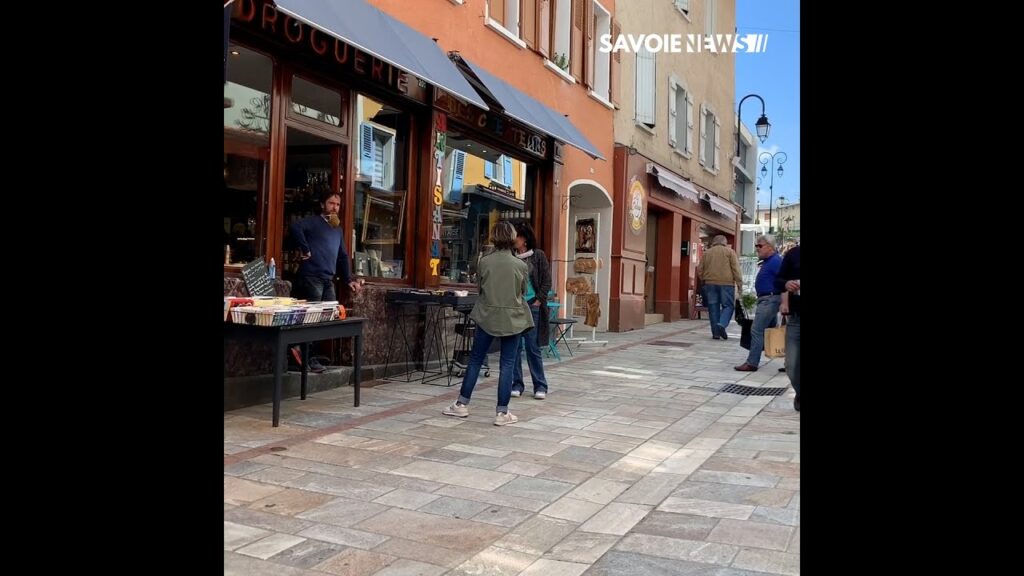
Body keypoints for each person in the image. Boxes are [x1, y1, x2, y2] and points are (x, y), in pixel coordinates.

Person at [443, 221, 533, 426]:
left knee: (476, 359)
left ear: (494, 237)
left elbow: (481, 288)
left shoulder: (484, 261)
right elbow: (522, 292)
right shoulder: (520, 265)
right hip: (513, 317)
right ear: (511, 238)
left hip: (487, 315)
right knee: (507, 364)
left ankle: (461, 403)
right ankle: (502, 412)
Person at [289, 190, 362, 372]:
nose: (335, 207)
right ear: (323, 204)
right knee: (312, 319)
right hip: (312, 276)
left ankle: (305, 352)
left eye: (337, 205)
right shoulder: (314, 222)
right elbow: (295, 227)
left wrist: (348, 280)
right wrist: (305, 249)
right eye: (331, 203)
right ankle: (306, 356)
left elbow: (343, 256)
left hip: (328, 279)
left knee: (328, 319)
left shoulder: (336, 229)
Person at [511, 222, 551, 400]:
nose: (514, 240)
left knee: (532, 347)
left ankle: (540, 385)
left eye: (516, 236)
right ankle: (516, 384)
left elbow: (547, 281)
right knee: (514, 346)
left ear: (525, 239)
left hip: (532, 306)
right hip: (514, 306)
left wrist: (537, 300)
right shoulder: (510, 257)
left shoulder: (538, 256)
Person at [735, 235, 783, 371]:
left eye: (759, 246)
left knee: (756, 330)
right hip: (767, 299)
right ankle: (789, 362)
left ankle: (752, 362)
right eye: (756, 245)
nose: (757, 249)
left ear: (769, 246)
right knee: (772, 331)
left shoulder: (776, 261)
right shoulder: (769, 261)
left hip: (770, 299)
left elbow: (784, 280)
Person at [697, 235, 743, 340]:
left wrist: (703, 280)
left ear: (714, 242)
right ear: (725, 243)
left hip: (710, 283)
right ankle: (722, 324)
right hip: (727, 284)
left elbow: (700, 269)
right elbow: (736, 269)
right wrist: (739, 284)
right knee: (728, 306)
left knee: (713, 308)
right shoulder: (730, 252)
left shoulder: (707, 253)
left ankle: (716, 333)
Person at [776, 245, 800, 411]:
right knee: (791, 364)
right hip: (796, 318)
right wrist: (786, 284)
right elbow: (778, 280)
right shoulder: (794, 254)